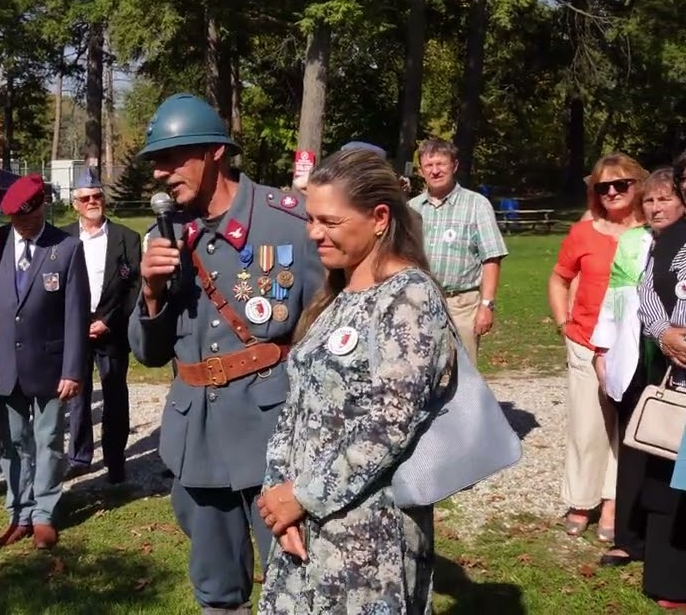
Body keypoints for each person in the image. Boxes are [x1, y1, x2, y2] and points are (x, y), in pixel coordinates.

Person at [129, 93, 322, 613]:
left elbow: (327, 333)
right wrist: (150, 293)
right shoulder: (164, 236)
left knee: (296, 583)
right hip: (198, 440)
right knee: (216, 592)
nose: (161, 175)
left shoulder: (288, 223)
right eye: (156, 162)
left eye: (173, 158)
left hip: (273, 434)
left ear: (215, 152)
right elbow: (147, 353)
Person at [257, 147, 453, 613]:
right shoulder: (338, 294)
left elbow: (388, 425)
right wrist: (279, 497)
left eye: (330, 221)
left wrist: (301, 496)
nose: (313, 233)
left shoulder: (408, 298)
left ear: (379, 217)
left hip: (368, 534)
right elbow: (299, 403)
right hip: (306, 524)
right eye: (311, 218)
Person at [0, 173, 88, 551]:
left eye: (28, 217)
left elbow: (76, 316)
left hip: (50, 365)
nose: (22, 226)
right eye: (15, 220)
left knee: (48, 441)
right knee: (12, 445)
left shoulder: (67, 248)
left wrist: (73, 370)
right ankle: (19, 512)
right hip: (4, 367)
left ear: (43, 206)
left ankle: (44, 513)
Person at [548, 153, 648, 539]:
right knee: (587, 427)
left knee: (626, 428)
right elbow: (559, 278)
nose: (612, 192)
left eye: (621, 184)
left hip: (636, 345)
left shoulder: (652, 233)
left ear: (636, 186)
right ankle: (580, 499)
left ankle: (612, 503)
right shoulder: (583, 233)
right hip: (585, 339)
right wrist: (564, 324)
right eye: (603, 187)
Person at [593, 168, 683, 579]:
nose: (655, 206)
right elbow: (616, 294)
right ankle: (630, 536)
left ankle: (663, 539)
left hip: (669, 358)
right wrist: (603, 345)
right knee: (638, 440)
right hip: (640, 353)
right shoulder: (633, 241)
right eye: (649, 200)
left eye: (664, 199)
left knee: (670, 448)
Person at [623, 157, 686, 608]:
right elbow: (646, 288)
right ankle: (670, 577)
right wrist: (665, 333)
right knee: (671, 472)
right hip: (677, 368)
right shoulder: (669, 240)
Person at [61, 167, 141, 484]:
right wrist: (76, 323)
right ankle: (80, 457)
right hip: (75, 330)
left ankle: (115, 459)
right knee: (77, 397)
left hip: (112, 328)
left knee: (115, 397)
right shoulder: (63, 237)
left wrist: (108, 321)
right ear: (75, 204)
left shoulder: (127, 238)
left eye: (97, 196)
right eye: (86, 198)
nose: (93, 201)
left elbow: (134, 286)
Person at [408, 138, 508, 359]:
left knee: (463, 374)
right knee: (420, 370)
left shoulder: (477, 205)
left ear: (454, 165)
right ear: (421, 171)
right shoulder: (412, 208)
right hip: (420, 303)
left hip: (461, 305)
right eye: (429, 166)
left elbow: (491, 258)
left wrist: (487, 305)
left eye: (440, 164)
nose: (435, 171)